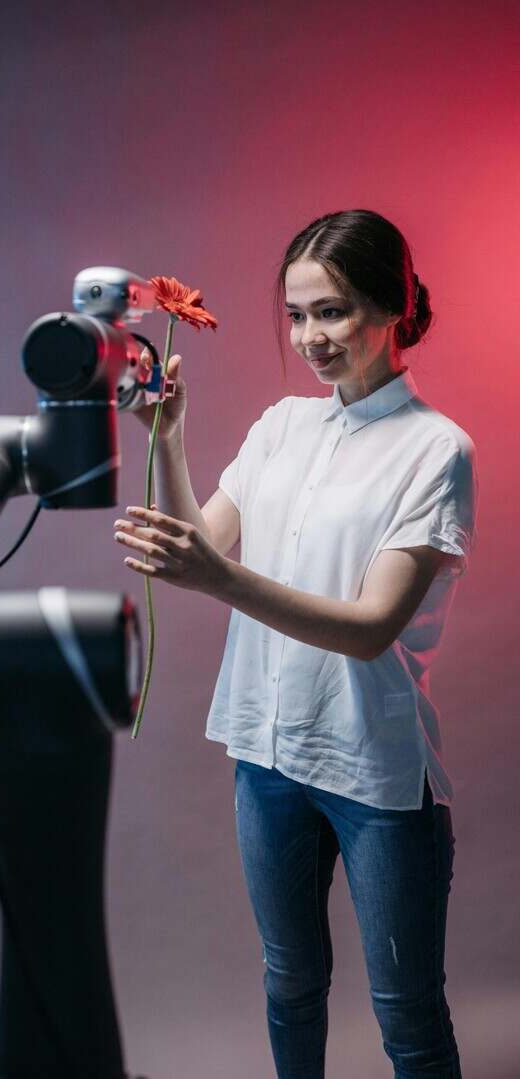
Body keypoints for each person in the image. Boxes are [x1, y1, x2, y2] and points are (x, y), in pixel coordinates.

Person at [113, 208, 478, 1077]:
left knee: (408, 1016)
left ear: (393, 308)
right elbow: (202, 536)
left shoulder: (437, 449)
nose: (311, 337)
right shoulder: (282, 424)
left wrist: (218, 578)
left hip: (375, 773)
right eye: (297, 313)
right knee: (288, 986)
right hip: (268, 757)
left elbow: (371, 626)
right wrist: (167, 439)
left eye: (334, 311)